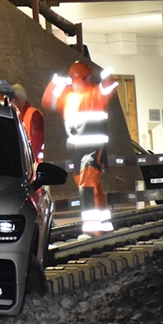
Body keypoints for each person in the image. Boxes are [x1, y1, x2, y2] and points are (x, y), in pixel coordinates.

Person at [42, 60, 118, 234]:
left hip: (92, 149)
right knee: (93, 185)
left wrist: (105, 74)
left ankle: (91, 229)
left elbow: (110, 85)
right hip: (78, 150)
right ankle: (104, 224)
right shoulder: (69, 96)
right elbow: (48, 100)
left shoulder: (95, 94)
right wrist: (56, 82)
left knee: (88, 185)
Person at [13, 83, 45, 164]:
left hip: (30, 165)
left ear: (18, 99)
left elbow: (36, 142)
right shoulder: (16, 115)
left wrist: (28, 162)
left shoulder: (33, 114)